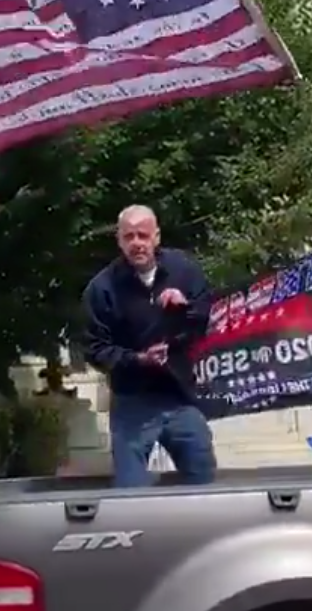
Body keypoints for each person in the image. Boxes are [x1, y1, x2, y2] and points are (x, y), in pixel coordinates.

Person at [83, 205, 217, 486]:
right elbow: (95, 348)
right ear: (119, 240)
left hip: (180, 396)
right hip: (133, 401)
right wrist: (139, 359)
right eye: (129, 236)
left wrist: (186, 307)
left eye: (142, 235)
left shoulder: (183, 270)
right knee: (131, 491)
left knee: (203, 479)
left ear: (156, 237)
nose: (136, 244)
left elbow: (210, 316)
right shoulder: (103, 288)